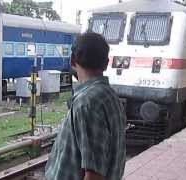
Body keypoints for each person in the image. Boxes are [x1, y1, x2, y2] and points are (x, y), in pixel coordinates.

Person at [45, 32, 127, 180]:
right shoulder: (110, 96)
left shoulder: (86, 104)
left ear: (72, 60)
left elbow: (94, 174)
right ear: (106, 63)